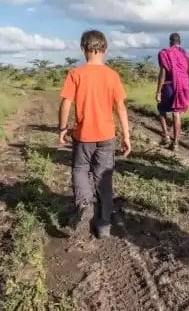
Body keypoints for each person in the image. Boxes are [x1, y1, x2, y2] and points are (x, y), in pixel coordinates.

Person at [58, 30, 132, 239]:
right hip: (107, 136)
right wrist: (126, 136)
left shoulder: (75, 74)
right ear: (105, 50)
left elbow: (66, 103)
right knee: (104, 178)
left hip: (82, 136)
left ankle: (84, 206)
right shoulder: (112, 75)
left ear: (83, 49)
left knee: (80, 170)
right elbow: (121, 108)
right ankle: (103, 225)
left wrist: (63, 129)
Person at [155, 32, 189, 150]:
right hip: (184, 86)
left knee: (161, 109)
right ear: (179, 42)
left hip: (169, 86)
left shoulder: (164, 53)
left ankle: (166, 136)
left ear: (170, 41)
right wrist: (188, 85)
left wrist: (158, 91)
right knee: (176, 113)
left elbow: (163, 73)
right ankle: (176, 143)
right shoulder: (187, 55)